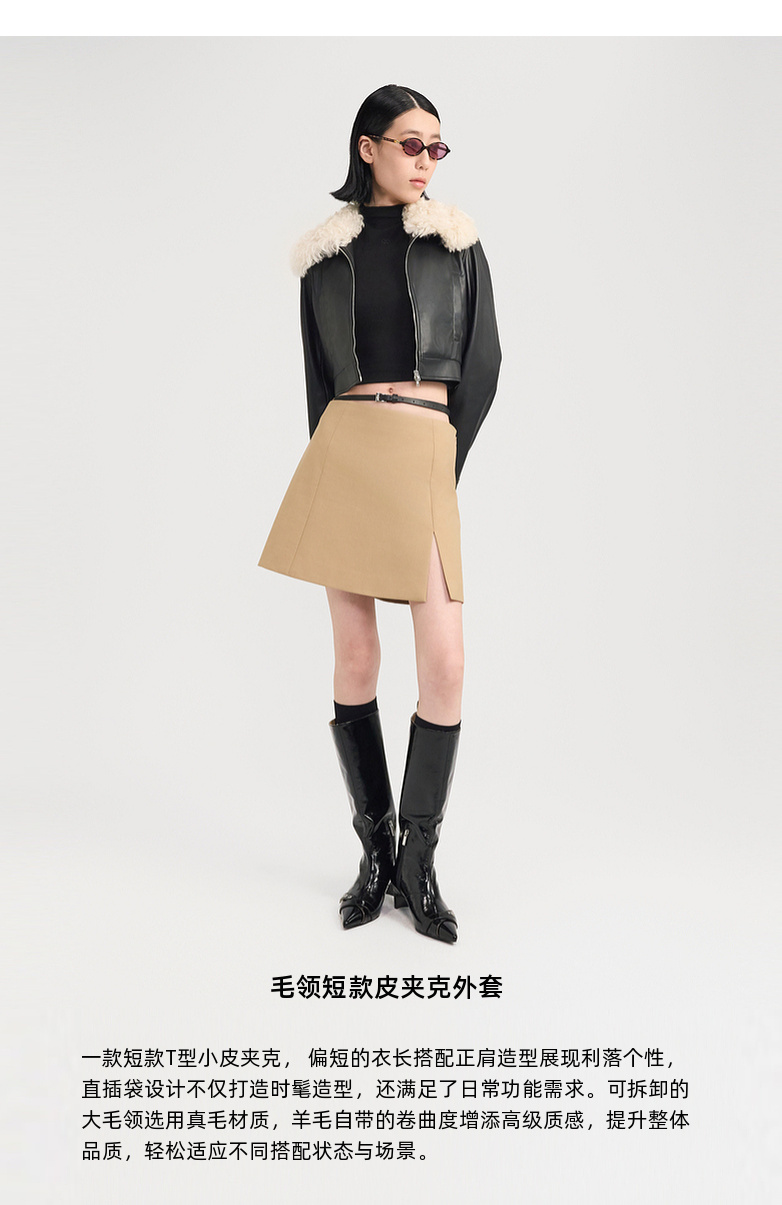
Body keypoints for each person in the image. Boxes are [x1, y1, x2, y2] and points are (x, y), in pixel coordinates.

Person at [259, 84, 501, 943]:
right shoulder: (323, 257)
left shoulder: (456, 244)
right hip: (347, 452)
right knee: (357, 655)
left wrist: (441, 468)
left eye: (438, 147)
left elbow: (484, 366)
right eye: (411, 144)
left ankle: (419, 862)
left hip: (424, 448)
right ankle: (375, 854)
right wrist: (334, 468)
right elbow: (316, 384)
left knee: (446, 665)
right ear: (367, 148)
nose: (427, 161)